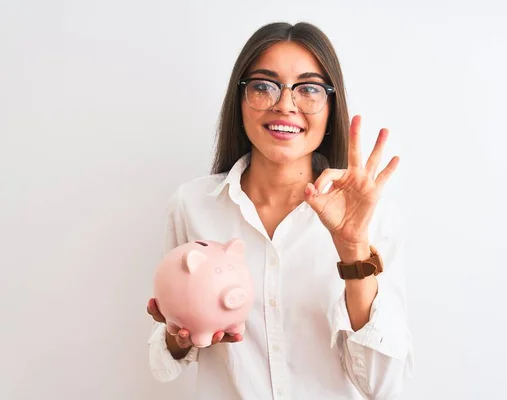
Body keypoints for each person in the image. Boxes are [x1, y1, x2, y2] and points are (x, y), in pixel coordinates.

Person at [146, 21, 413, 399]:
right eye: (263, 86)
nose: (285, 105)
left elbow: (384, 386)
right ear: (239, 100)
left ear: (330, 106)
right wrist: (178, 337)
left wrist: (354, 251)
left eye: (308, 89)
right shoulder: (192, 205)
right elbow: (163, 363)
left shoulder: (374, 217)